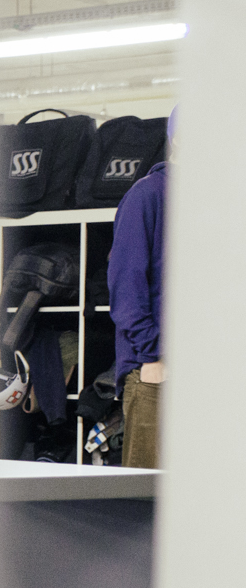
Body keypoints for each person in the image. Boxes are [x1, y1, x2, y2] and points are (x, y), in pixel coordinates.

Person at [110, 107, 170, 469]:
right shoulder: (147, 196)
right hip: (155, 374)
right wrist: (154, 355)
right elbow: (125, 284)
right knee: (147, 504)